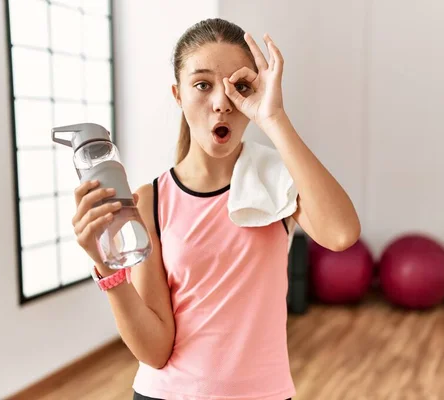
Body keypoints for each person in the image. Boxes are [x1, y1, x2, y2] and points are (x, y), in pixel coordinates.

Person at [71, 18, 361, 400]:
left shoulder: (276, 177)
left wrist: (274, 119)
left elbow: (340, 234)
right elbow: (156, 351)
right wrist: (108, 267)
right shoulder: (151, 200)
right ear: (177, 94)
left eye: (239, 86)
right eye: (202, 84)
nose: (222, 102)